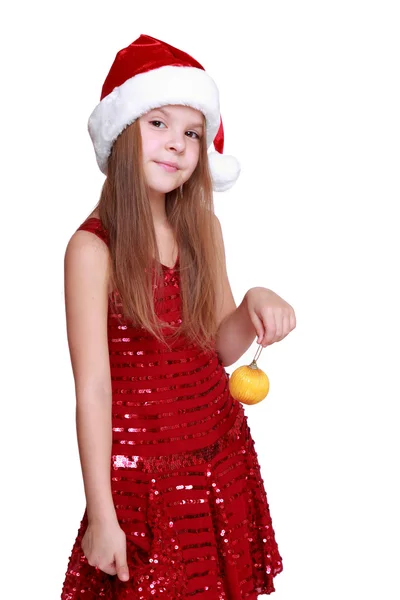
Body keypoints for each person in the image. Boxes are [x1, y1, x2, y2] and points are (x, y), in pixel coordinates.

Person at [61, 34, 296, 600]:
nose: (177, 145)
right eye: (158, 124)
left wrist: (252, 304)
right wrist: (102, 512)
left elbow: (219, 347)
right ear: (121, 133)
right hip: (144, 485)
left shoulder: (201, 231)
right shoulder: (93, 251)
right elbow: (93, 390)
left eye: (191, 133)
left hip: (218, 458)